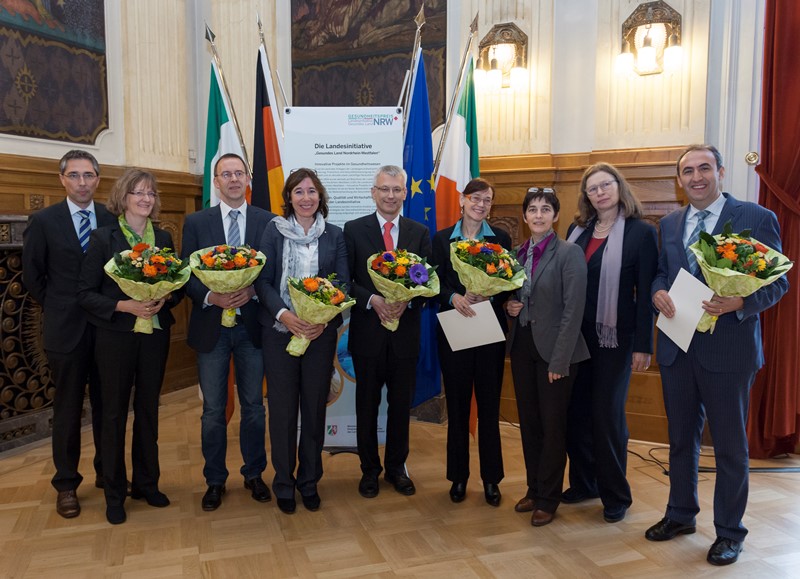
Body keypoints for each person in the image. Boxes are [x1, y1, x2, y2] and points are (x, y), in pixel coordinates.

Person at [647, 144, 789, 566]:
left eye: (704, 168)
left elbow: (776, 283)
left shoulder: (756, 218)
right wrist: (657, 292)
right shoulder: (670, 223)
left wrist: (741, 305)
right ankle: (680, 514)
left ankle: (729, 532)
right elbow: (661, 271)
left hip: (728, 349)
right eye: (687, 171)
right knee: (679, 441)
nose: (696, 177)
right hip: (677, 346)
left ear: (721, 172)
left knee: (729, 447)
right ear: (679, 180)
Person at [77, 168, 181, 524]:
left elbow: (179, 287)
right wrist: (125, 305)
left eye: (150, 193)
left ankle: (147, 483)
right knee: (114, 412)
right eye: (138, 192)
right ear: (123, 197)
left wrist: (165, 297)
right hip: (116, 336)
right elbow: (85, 293)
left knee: (149, 409)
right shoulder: (103, 238)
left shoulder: (164, 238)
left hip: (155, 335)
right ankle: (114, 490)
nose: (145, 199)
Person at [563, 163, 658, 523]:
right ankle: (584, 482)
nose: (600, 192)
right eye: (592, 188)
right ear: (586, 196)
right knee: (575, 413)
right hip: (576, 338)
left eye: (606, 185)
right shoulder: (577, 230)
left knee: (606, 416)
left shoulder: (640, 233)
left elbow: (647, 291)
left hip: (615, 339)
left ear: (619, 187)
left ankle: (615, 493)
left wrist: (643, 345)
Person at [22, 150, 114, 519]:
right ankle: (66, 484)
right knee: (68, 409)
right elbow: (33, 276)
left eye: (89, 175)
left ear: (97, 179)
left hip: (108, 329)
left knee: (110, 407)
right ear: (62, 179)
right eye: (74, 175)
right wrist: (61, 306)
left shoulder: (110, 218)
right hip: (66, 331)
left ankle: (108, 474)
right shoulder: (44, 221)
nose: (82, 182)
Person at [181, 153, 276, 512]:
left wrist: (252, 291)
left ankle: (254, 474)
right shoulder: (196, 222)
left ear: (248, 180)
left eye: (239, 173)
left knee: (254, 407)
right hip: (211, 330)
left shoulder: (268, 222)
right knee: (213, 411)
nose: (233, 179)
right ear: (216, 182)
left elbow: (273, 273)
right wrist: (211, 295)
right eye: (226, 174)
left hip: (253, 328)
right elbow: (186, 275)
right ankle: (215, 480)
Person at [255, 168, 349, 515]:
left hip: (319, 336)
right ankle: (283, 483)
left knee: (312, 409)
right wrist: (285, 315)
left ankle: (309, 482)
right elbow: (262, 281)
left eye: (311, 191)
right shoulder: (272, 231)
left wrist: (321, 319)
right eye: (299, 192)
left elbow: (343, 285)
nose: (306, 197)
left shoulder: (334, 235)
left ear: (320, 197)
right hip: (279, 334)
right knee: (281, 411)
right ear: (289, 198)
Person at [344, 165, 432, 498]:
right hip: (368, 335)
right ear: (373, 192)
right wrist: (373, 300)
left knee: (399, 407)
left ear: (405, 193)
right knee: (365, 406)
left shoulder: (418, 232)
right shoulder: (353, 230)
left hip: (405, 338)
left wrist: (407, 301)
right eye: (384, 189)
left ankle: (397, 468)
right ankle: (369, 470)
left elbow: (427, 283)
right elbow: (346, 281)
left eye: (397, 190)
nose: (390, 196)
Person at [505, 188, 589, 527]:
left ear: (555, 216)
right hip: (523, 346)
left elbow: (573, 309)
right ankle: (534, 487)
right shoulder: (516, 253)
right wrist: (510, 306)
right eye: (532, 210)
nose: (538, 215)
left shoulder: (570, 253)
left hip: (558, 352)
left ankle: (549, 497)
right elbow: (514, 297)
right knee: (530, 424)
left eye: (545, 209)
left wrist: (560, 360)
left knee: (554, 427)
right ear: (524, 217)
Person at [431, 177, 511, 507]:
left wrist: (491, 292)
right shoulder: (440, 240)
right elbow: (431, 282)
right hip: (455, 329)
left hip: (490, 331)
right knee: (459, 407)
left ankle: (491, 479)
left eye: (487, 200)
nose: (481, 204)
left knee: (490, 407)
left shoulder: (501, 238)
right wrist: (454, 297)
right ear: (462, 200)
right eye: (475, 198)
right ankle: (459, 477)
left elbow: (511, 283)